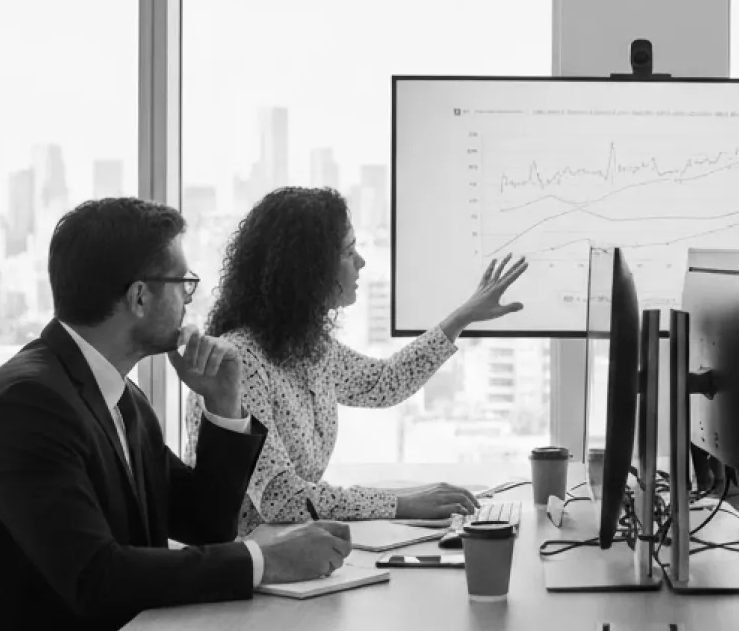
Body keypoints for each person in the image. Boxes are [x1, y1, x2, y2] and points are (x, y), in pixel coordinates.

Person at [0, 197, 351, 631]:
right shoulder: (27, 406)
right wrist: (265, 561)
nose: (189, 299)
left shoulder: (120, 396)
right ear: (139, 298)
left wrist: (224, 406)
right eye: (183, 284)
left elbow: (203, 524)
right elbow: (95, 577)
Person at [185, 187, 528, 537]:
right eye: (348, 252)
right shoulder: (241, 361)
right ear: (308, 270)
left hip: (292, 546)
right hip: (242, 557)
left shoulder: (310, 349)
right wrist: (402, 502)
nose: (361, 262)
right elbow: (280, 498)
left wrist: (463, 317)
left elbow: (384, 383)